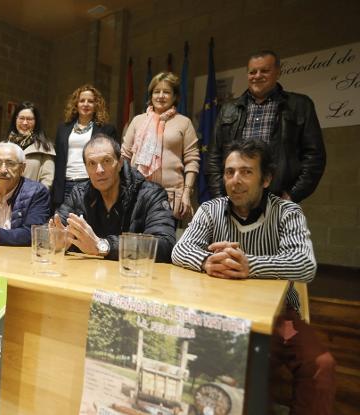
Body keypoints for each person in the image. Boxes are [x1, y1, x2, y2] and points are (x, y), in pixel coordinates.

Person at [172, 140, 335, 414]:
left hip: (279, 319)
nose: (235, 180)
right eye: (229, 172)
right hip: (222, 315)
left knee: (321, 365)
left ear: (266, 178)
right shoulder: (210, 210)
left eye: (246, 172)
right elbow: (180, 249)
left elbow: (305, 264)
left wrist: (249, 266)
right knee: (248, 368)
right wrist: (207, 261)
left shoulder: (287, 212)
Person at [207, 50, 326, 203]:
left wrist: (292, 195)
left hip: (279, 200)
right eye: (252, 72)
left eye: (264, 71)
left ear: (277, 72)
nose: (257, 76)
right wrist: (220, 197)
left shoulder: (301, 105)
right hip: (235, 198)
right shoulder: (228, 109)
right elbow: (214, 157)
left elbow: (314, 157)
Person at [53, 134, 175, 262]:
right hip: (87, 276)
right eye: (92, 163)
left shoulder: (151, 194)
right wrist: (58, 239)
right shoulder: (79, 194)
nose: (99, 170)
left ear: (120, 162)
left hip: (133, 276)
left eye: (106, 161)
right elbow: (55, 228)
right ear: (86, 169)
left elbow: (165, 245)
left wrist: (103, 246)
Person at [122, 72, 200, 220]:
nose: (161, 96)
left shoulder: (184, 122)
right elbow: (124, 156)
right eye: (157, 91)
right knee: (136, 240)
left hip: (169, 195)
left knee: (164, 241)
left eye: (167, 92)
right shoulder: (138, 121)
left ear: (175, 96)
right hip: (136, 193)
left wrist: (187, 193)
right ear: (151, 95)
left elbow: (192, 161)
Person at [53, 84, 117, 207]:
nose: (86, 104)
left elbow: (112, 159)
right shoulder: (63, 128)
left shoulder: (106, 129)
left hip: (91, 183)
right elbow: (58, 159)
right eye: (82, 101)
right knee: (64, 223)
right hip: (65, 184)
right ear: (76, 104)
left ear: (96, 105)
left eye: (90, 101)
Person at [0, 101, 56, 190]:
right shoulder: (4, 146)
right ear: (15, 120)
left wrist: (35, 199)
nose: (25, 123)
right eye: (21, 118)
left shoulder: (45, 148)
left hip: (29, 200)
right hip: (1, 199)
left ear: (36, 122)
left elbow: (47, 180)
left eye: (29, 119)